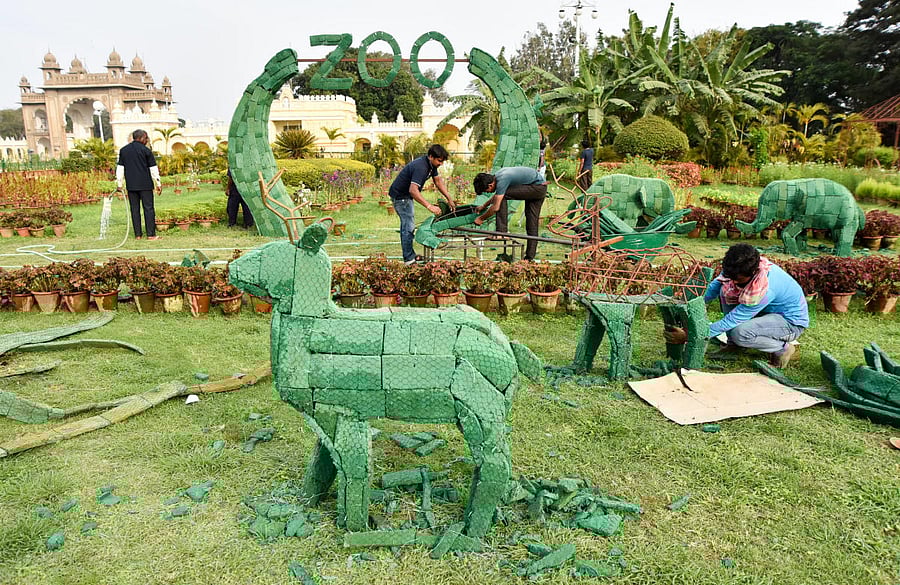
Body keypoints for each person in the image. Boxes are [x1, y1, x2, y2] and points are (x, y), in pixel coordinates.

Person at [663, 243, 809, 367]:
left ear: (752, 272)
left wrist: (691, 335)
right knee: (725, 290)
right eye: (731, 277)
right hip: (767, 313)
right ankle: (734, 346)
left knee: (739, 333)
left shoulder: (765, 289)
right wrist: (688, 306)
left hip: (790, 323)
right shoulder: (739, 266)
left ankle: (783, 349)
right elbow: (714, 288)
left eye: (738, 279)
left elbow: (731, 321)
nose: (733, 281)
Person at [388, 144, 456, 264]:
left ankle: (410, 255)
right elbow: (413, 190)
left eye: (442, 161)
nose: (441, 164)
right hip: (401, 197)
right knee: (408, 227)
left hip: (405, 196)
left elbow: (437, 181)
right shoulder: (421, 167)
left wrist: (449, 198)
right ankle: (409, 259)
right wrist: (429, 206)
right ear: (431, 156)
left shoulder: (431, 165)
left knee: (409, 225)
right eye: (439, 161)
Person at [472, 167, 548, 261]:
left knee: (503, 197)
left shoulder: (503, 178)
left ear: (490, 185)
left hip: (537, 187)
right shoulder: (498, 177)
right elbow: (498, 196)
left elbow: (496, 207)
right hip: (539, 187)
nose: (487, 192)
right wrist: (484, 206)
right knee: (532, 223)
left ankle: (501, 232)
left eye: (486, 191)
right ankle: (529, 258)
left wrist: (481, 218)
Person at [115, 129, 161, 240]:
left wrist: (119, 184)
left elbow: (120, 168)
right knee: (148, 209)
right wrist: (158, 183)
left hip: (131, 185)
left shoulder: (124, 150)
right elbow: (153, 169)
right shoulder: (146, 151)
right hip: (145, 185)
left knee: (134, 209)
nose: (147, 140)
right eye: (146, 138)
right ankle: (150, 234)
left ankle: (138, 235)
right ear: (141, 138)